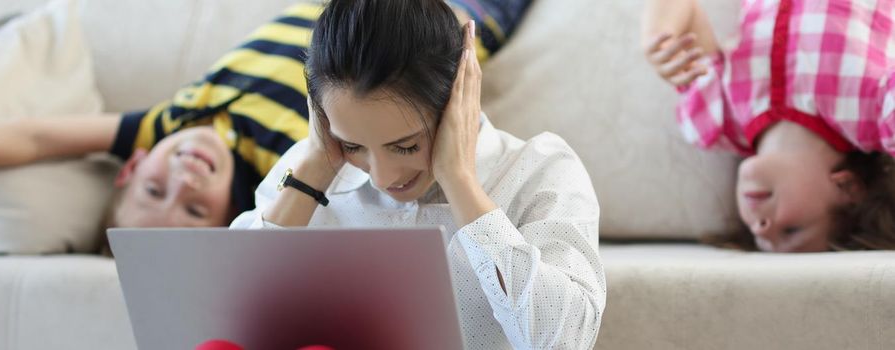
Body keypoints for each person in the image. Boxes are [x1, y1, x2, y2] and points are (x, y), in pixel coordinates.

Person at [0, 1, 519, 231]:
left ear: (130, 165)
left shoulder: (169, 121)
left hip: (347, 21)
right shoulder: (301, 157)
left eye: (155, 188)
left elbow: (39, 134)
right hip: (447, 20)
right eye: (192, 208)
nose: (181, 178)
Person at [230, 0, 605, 348]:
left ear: (460, 95)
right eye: (354, 146)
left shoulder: (540, 170)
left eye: (405, 146)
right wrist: (310, 172)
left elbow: (563, 341)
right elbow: (224, 321)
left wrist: (460, 181)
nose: (381, 177)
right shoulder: (311, 170)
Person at [642, 0, 895, 252]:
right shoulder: (873, 114)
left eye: (759, 239)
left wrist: (659, 36)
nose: (760, 227)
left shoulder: (720, 117)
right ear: (848, 188)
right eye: (791, 230)